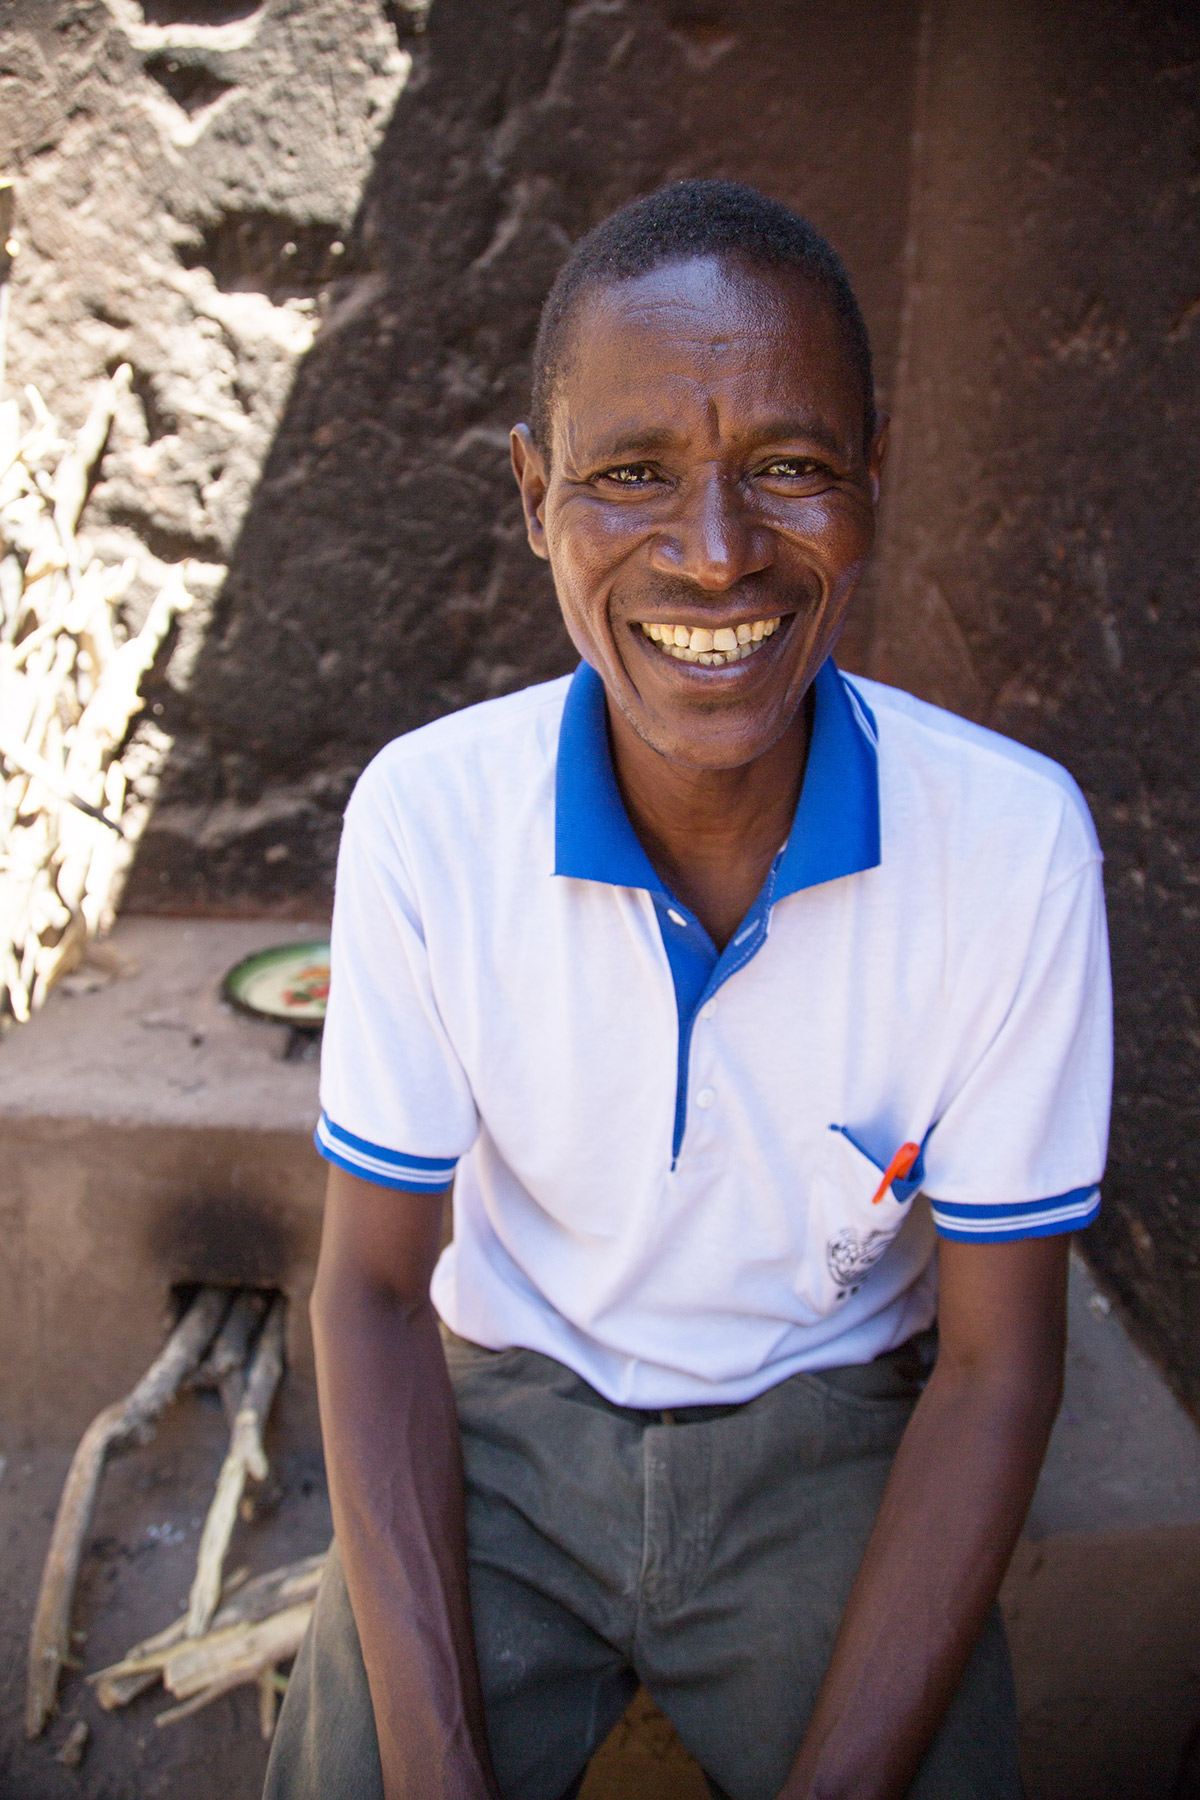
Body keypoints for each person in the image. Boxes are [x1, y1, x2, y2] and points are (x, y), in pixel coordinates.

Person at [265, 180, 1111, 1800]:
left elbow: (1001, 1369)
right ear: (532, 494)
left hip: (830, 1436)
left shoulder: (1012, 851)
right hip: (507, 1424)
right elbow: (372, 1295)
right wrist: (435, 1768)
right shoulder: (431, 820)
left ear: (876, 473)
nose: (715, 556)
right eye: (630, 475)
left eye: (788, 469)